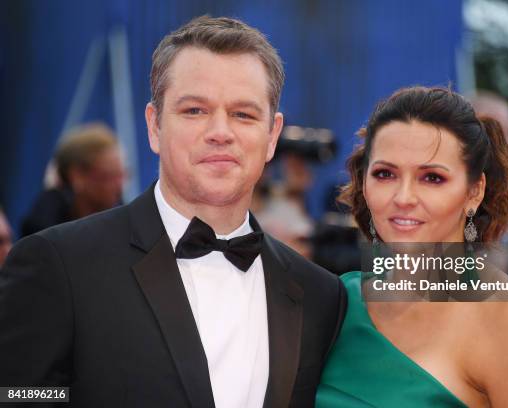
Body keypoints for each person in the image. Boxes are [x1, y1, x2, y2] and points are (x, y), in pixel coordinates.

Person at [0, 16, 345, 408]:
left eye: (243, 114)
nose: (220, 131)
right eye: (195, 110)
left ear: (271, 136)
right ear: (154, 126)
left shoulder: (319, 293)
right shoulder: (59, 265)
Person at [316, 86, 508, 407]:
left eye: (432, 178)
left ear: (474, 192)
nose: (404, 197)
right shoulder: (335, 305)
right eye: (385, 174)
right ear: (363, 184)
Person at [20, 122, 125, 237]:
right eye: (108, 176)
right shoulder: (44, 230)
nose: (120, 185)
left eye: (122, 175)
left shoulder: (124, 217)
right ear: (77, 176)